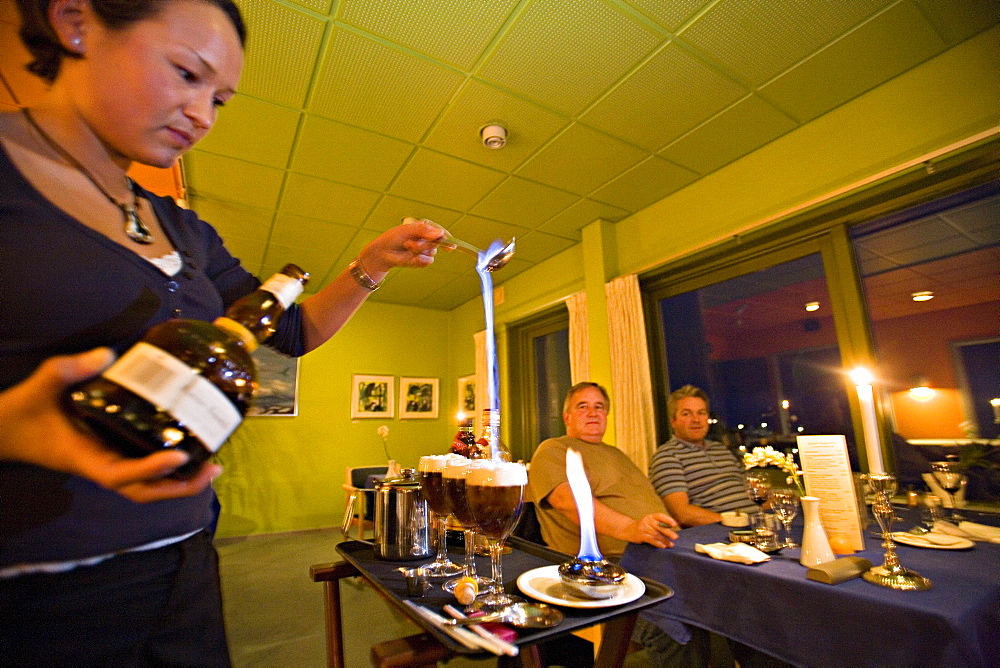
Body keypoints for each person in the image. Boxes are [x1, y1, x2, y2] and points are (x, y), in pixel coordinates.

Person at [0, 0, 446, 663]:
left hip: (181, 564)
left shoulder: (184, 231)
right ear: (75, 22)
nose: (202, 116)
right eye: (186, 74)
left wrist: (371, 265)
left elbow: (289, 330)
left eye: (221, 100)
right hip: (35, 589)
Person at [528, 382, 678, 557]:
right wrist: (630, 528)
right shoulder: (553, 449)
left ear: (606, 415)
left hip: (669, 544)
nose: (593, 413)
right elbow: (566, 501)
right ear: (567, 417)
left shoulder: (617, 453)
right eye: (582, 406)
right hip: (618, 560)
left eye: (599, 407)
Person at [649, 385, 758, 527]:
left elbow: (752, 492)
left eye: (701, 413)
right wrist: (736, 522)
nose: (696, 420)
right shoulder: (667, 456)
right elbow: (682, 514)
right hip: (723, 533)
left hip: (757, 525)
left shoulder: (721, 449)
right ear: (673, 421)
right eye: (686, 414)